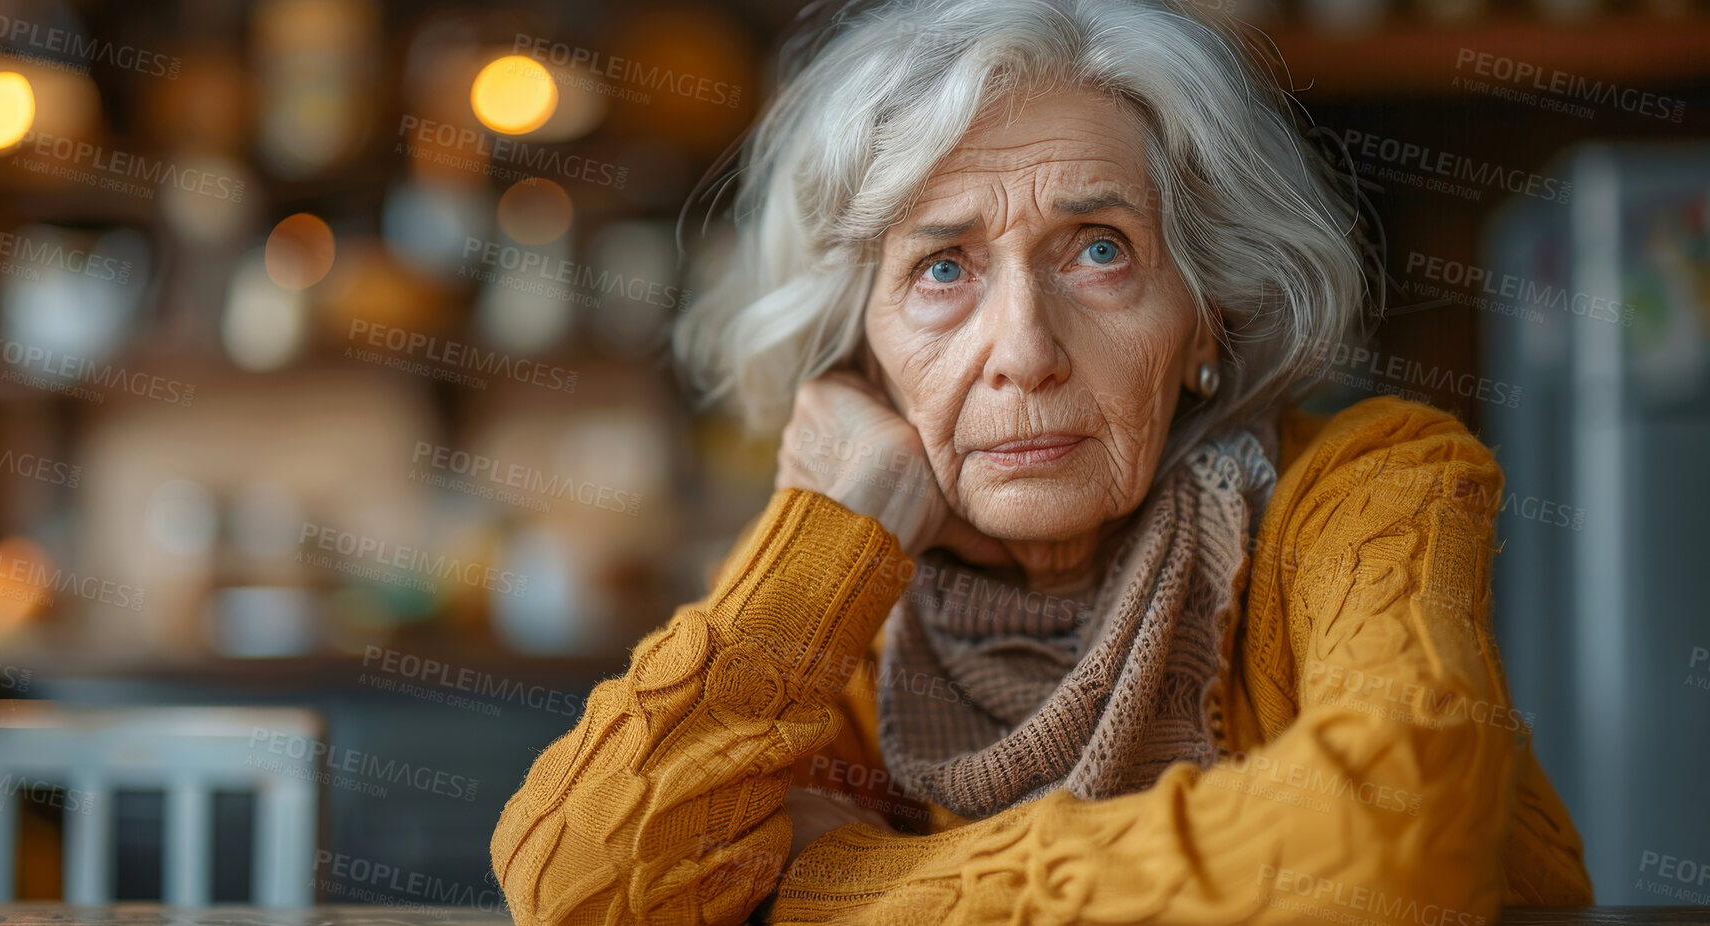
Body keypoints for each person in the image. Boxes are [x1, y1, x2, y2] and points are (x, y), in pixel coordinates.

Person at [490, 0, 1594, 921]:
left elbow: (1389, 845)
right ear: (857, 345)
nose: (1022, 349)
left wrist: (846, 883)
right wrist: (826, 536)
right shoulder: (841, 591)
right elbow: (579, 885)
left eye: (1100, 250)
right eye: (940, 267)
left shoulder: (1367, 482)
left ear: (1208, 312)